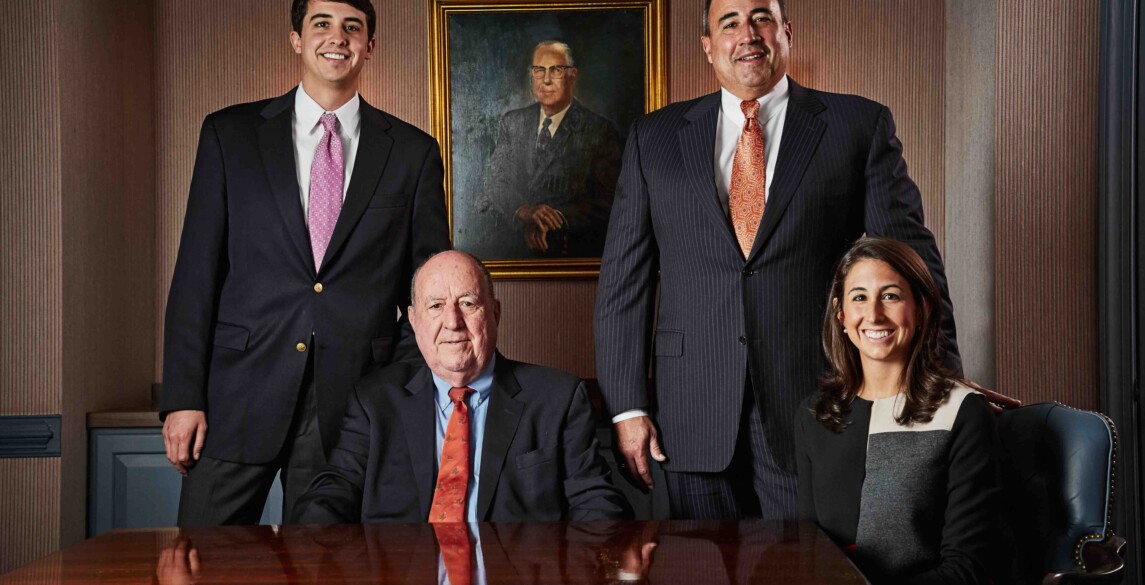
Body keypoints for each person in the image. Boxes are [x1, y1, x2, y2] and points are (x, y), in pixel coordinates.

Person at [595, 0, 971, 520]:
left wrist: (942, 377)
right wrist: (629, 408)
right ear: (708, 46)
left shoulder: (855, 125)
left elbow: (912, 264)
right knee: (699, 567)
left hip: (817, 401)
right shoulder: (653, 139)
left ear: (786, 34)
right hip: (690, 411)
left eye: (761, 18)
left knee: (810, 568)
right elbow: (623, 285)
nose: (747, 34)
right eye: (729, 24)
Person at [159, 0, 450, 526]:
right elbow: (195, 276)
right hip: (236, 395)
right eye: (321, 24)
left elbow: (430, 292)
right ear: (297, 39)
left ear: (369, 46)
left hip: (352, 400)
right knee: (205, 560)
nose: (336, 37)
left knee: (323, 568)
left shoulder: (412, 152)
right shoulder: (230, 135)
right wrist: (182, 397)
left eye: (352, 27)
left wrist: (396, 392)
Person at [292, 251, 632, 523]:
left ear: (495, 314)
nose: (452, 322)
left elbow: (596, 503)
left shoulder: (557, 398)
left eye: (468, 303)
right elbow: (333, 491)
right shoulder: (374, 401)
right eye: (436, 306)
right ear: (414, 320)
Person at [795, 237, 1000, 583]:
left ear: (922, 309)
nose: (873, 314)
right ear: (841, 315)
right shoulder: (814, 414)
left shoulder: (963, 413)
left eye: (890, 296)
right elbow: (809, 553)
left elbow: (967, 570)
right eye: (859, 297)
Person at [477, 41, 622, 258]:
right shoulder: (513, 122)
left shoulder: (599, 130)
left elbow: (609, 200)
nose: (546, 80)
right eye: (539, 70)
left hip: (572, 251)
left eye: (556, 70)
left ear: (572, 75)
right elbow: (495, 181)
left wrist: (555, 219)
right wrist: (524, 211)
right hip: (513, 252)